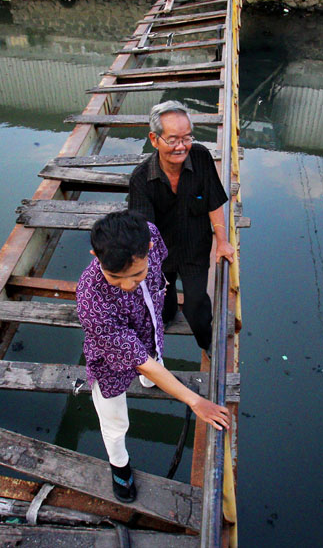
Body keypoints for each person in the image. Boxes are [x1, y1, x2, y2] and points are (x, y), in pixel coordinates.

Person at [76, 210, 231, 502]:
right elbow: (139, 361)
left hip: (149, 325)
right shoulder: (91, 300)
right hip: (109, 357)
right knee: (114, 421)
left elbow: (161, 268)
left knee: (154, 362)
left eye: (136, 274)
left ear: (148, 248)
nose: (127, 285)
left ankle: (152, 382)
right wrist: (195, 401)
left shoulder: (151, 234)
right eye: (115, 277)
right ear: (95, 255)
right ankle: (119, 467)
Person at [128, 101, 235, 352]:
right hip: (160, 255)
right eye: (173, 139)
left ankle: (207, 342)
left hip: (195, 249)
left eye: (187, 138)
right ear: (154, 139)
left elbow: (213, 202)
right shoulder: (141, 180)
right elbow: (145, 232)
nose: (181, 146)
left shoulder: (200, 156)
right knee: (163, 306)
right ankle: (166, 317)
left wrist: (222, 241)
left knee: (197, 303)